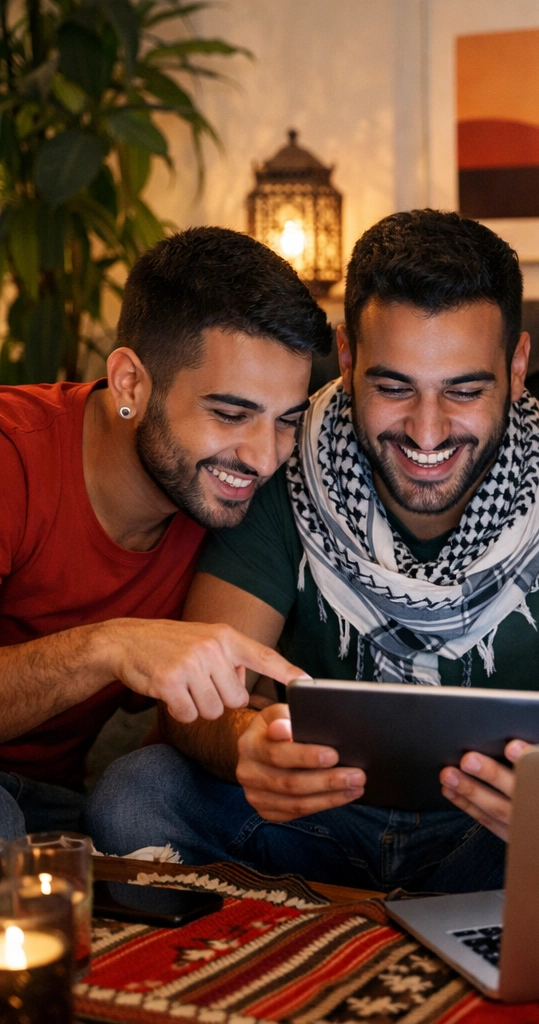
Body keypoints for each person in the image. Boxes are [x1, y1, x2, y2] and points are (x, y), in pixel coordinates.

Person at [87, 210, 539, 892]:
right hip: (310, 818)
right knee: (135, 793)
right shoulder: (277, 468)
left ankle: (317, 922)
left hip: (492, 831)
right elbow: (208, 690)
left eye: (464, 389)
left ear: (516, 368)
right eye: (393, 387)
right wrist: (248, 743)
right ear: (347, 358)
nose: (427, 431)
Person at [0, 227, 329, 841]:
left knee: (135, 802)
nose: (262, 458)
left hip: (59, 805)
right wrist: (108, 647)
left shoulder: (225, 504)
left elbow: (182, 728)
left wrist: (255, 740)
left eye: (286, 421)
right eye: (230, 414)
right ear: (130, 384)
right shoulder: (12, 456)